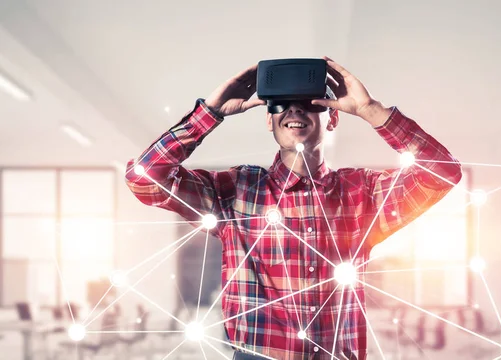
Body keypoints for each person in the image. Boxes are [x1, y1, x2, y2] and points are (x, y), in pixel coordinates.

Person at [125, 56, 462, 359]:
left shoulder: (362, 193)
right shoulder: (235, 191)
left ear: (332, 119)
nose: (295, 111)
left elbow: (442, 173)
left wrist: (372, 110)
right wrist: (207, 115)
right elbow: (143, 179)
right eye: (281, 104)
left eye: (309, 103)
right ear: (268, 121)